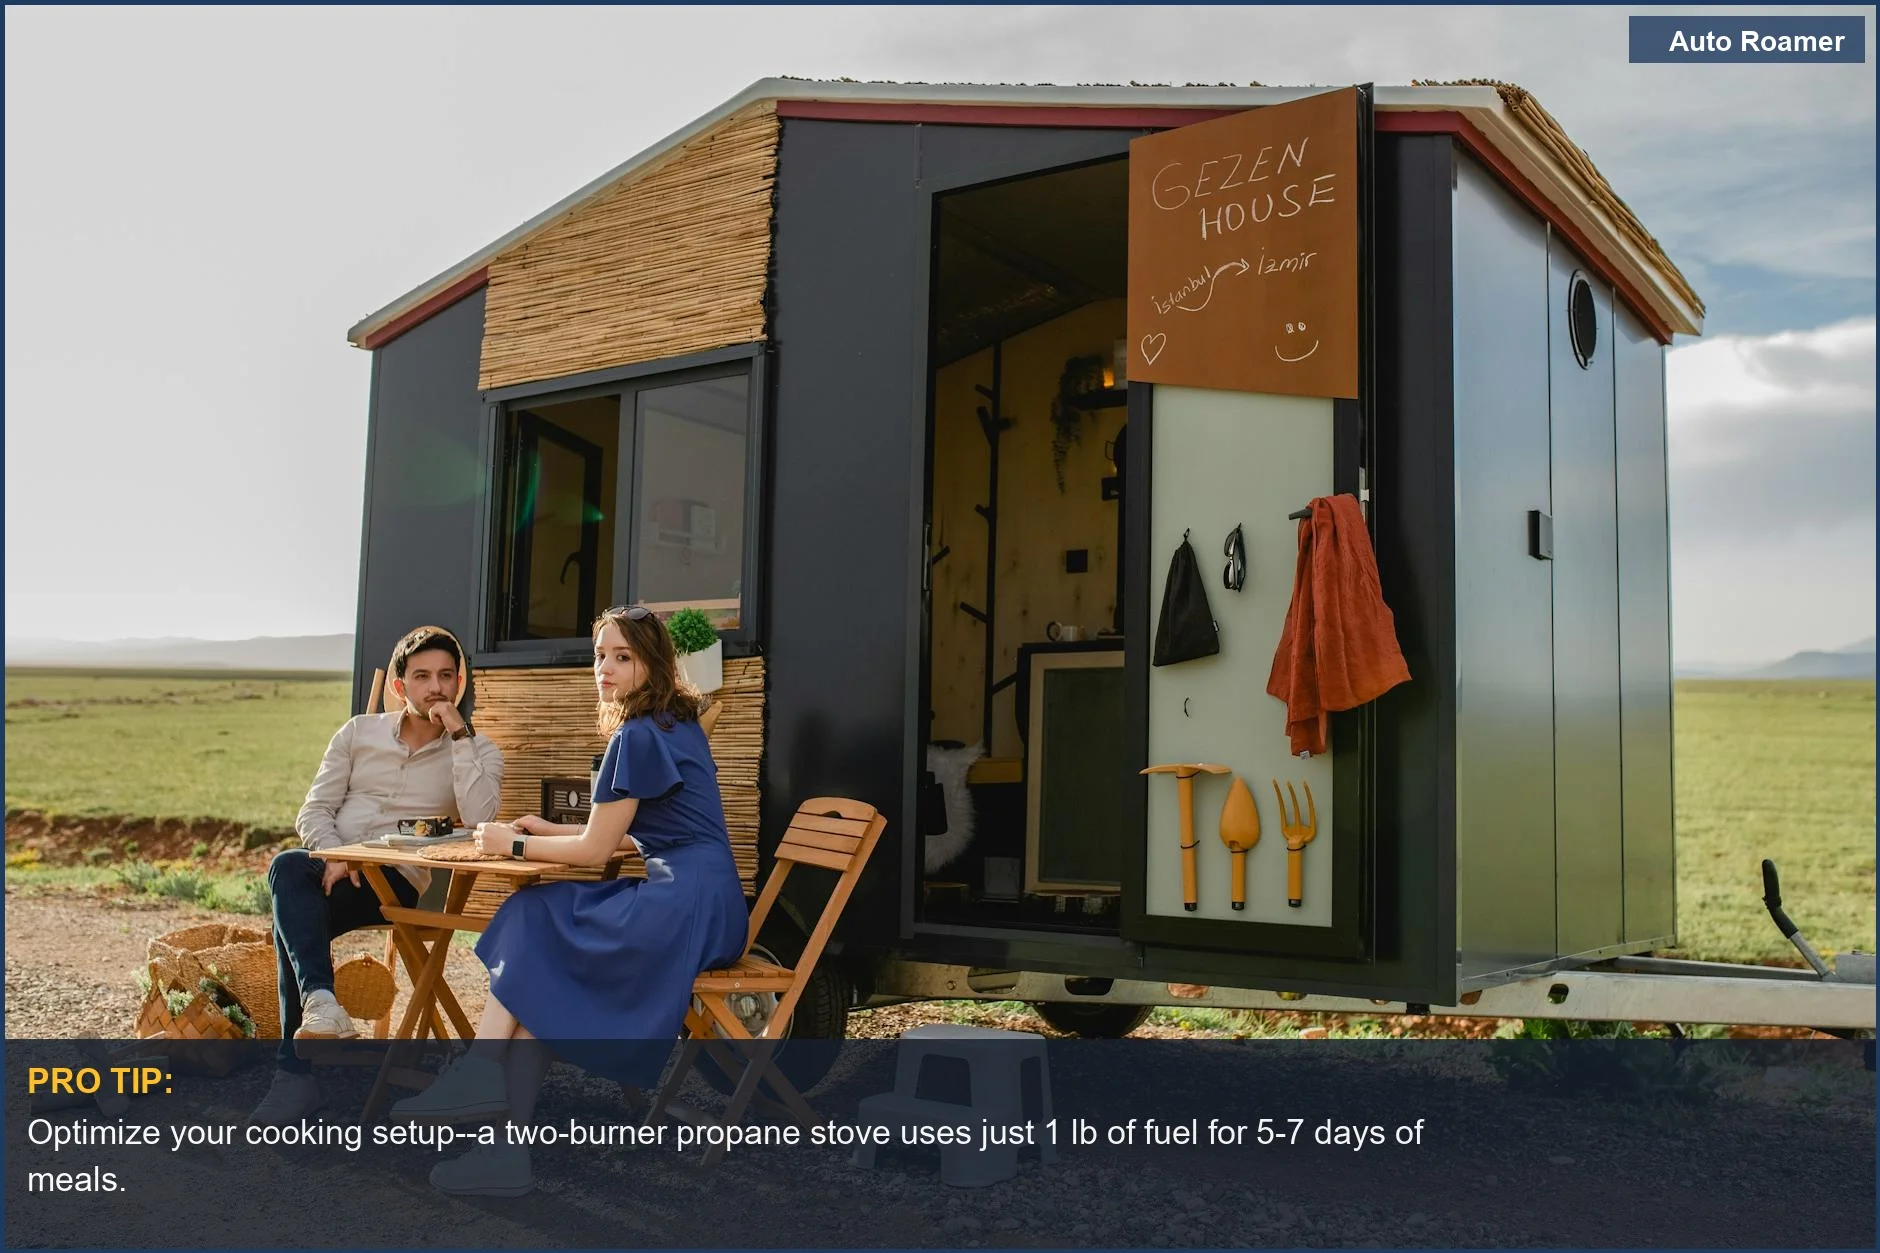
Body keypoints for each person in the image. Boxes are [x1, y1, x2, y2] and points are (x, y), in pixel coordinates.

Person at [390, 604, 745, 1198]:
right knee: (538, 985)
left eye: (622, 657)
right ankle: (505, 1152)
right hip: (709, 903)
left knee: (535, 911)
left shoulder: (636, 736)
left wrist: (515, 842)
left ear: (653, 663)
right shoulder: (672, 722)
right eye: (600, 655)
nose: (604, 669)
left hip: (681, 911)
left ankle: (478, 1072)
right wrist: (546, 831)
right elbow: (640, 834)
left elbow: (598, 851)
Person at [246, 625, 504, 1125]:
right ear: (400, 686)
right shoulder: (357, 733)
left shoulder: (477, 748)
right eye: (423, 676)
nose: (436, 687)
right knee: (288, 870)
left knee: (291, 920)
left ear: (460, 685)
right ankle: (322, 1005)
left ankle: (294, 1076)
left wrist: (459, 736)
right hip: (332, 870)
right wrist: (337, 854)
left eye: (447, 677)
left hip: (396, 883)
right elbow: (313, 811)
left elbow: (480, 818)